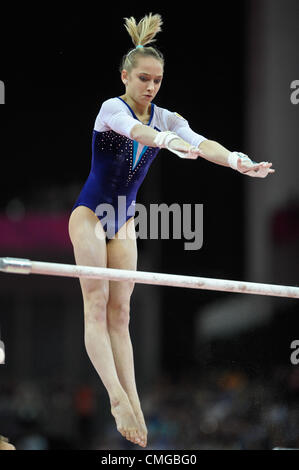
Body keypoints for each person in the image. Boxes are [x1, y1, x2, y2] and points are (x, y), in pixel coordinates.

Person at [68, 13, 274, 448]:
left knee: (121, 317)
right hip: (89, 215)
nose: (150, 87)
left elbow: (202, 143)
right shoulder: (113, 108)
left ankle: (136, 402)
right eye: (143, 78)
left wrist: (238, 160)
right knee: (96, 303)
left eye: (157, 80)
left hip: (122, 222)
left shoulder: (168, 116)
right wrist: (163, 141)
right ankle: (116, 398)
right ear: (125, 75)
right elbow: (135, 131)